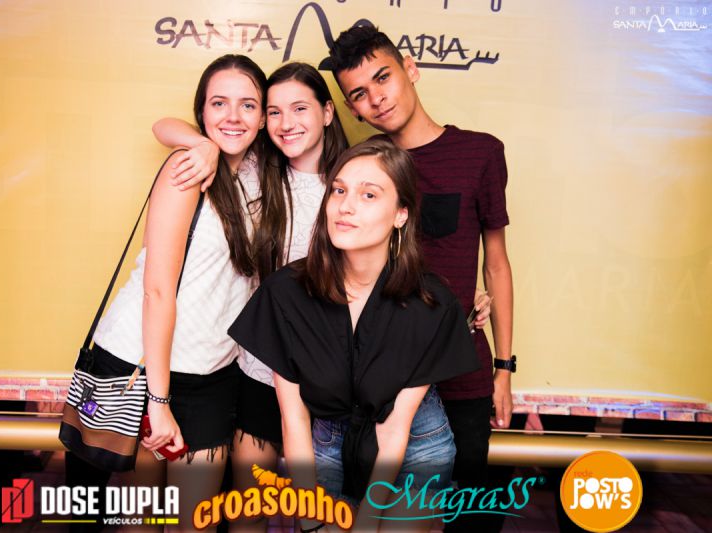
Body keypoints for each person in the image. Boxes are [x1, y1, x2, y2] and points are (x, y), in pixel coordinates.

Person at [229, 138, 479, 532]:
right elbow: (293, 419)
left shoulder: (431, 303)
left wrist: (366, 522)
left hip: (415, 444)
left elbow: (394, 428)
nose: (345, 206)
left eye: (369, 195)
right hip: (326, 442)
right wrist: (309, 516)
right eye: (339, 190)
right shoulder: (285, 293)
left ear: (401, 214)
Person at [66, 54, 270, 532]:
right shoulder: (188, 168)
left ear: (264, 117)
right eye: (218, 103)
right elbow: (157, 291)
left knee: (192, 519)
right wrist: (158, 403)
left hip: (210, 369)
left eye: (248, 105)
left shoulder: (261, 172)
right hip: (140, 364)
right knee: (130, 515)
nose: (233, 116)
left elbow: (164, 125)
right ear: (201, 111)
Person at [328, 24, 515, 532]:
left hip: (461, 373)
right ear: (351, 109)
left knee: (469, 517)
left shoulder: (480, 153)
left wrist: (504, 368)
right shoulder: (363, 165)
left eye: (382, 78)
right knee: (376, 514)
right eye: (358, 94)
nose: (375, 99)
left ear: (410, 69)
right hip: (381, 377)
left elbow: (496, 263)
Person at [152, 62, 350, 532]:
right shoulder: (255, 168)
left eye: (300, 109)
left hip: (330, 380)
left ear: (327, 112)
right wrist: (200, 143)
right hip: (259, 373)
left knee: (326, 511)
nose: (286, 123)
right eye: (275, 111)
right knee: (248, 513)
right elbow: (163, 126)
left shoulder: (353, 181)